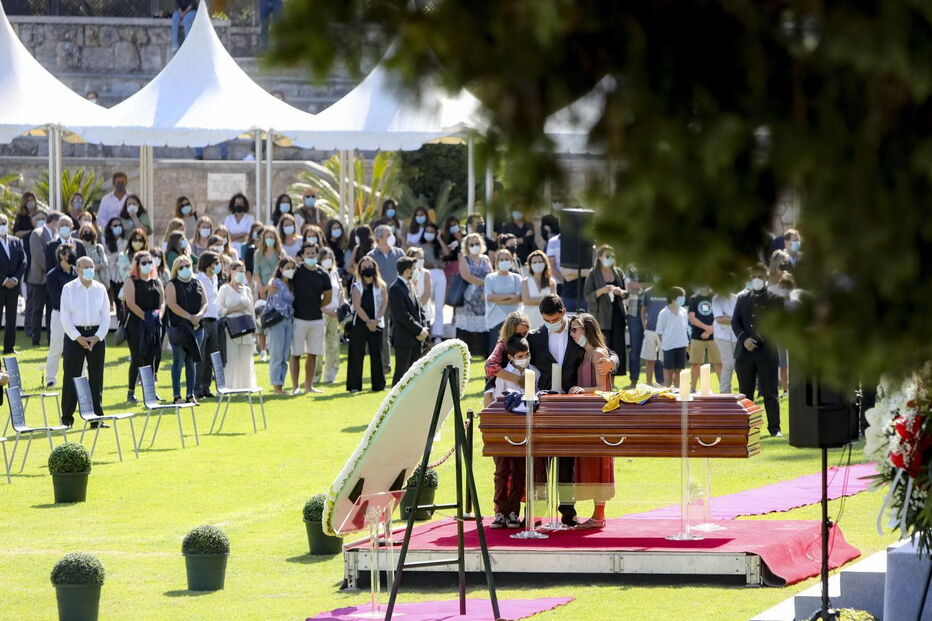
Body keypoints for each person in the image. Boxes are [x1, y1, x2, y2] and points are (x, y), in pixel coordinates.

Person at [527, 294, 616, 526]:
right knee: (540, 460)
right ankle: (536, 512)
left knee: (568, 459)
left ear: (563, 312)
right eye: (546, 320)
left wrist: (613, 362)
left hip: (573, 406)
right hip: (544, 404)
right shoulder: (535, 338)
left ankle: (567, 510)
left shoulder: (577, 330)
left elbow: (604, 350)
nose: (551, 323)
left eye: (554, 319)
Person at [567, 312, 616, 529]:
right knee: (589, 462)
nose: (572, 333)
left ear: (587, 329)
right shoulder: (584, 354)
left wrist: (581, 390)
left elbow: (603, 389)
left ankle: (599, 516)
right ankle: (596, 515)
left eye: (575, 329)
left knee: (600, 463)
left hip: (599, 416)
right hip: (586, 415)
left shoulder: (597, 353)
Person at [489, 334, 536, 529]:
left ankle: (513, 512)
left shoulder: (535, 373)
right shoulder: (504, 375)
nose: (523, 358)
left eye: (526, 354)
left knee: (519, 471)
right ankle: (500, 510)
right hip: (505, 427)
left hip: (524, 429)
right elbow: (498, 399)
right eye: (519, 355)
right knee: (502, 471)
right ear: (510, 357)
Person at [59, 256, 110, 428]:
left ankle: (96, 418)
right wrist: (78, 337)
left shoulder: (100, 288)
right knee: (71, 376)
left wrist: (98, 336)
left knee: (96, 377)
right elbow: (65, 317)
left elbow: (106, 315)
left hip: (96, 335)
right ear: (77, 270)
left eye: (91, 267)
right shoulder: (69, 288)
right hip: (75, 336)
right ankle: (67, 418)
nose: (89, 270)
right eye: (85, 267)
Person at [733, 265, 783, 437]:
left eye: (760, 276)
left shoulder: (775, 299)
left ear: (766, 278)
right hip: (744, 353)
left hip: (766, 352)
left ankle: (774, 428)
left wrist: (759, 339)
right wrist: (744, 339)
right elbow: (735, 322)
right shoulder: (742, 298)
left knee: (770, 392)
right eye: (754, 276)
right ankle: (748, 428)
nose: (757, 279)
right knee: (745, 393)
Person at [123, 251, 164, 403]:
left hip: (153, 324)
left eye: (149, 262)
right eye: (144, 263)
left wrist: (158, 316)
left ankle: (150, 391)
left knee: (151, 357)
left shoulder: (156, 281)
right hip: (136, 325)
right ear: (137, 265)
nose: (147, 265)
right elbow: (131, 304)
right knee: (137, 357)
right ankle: (131, 392)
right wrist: (146, 318)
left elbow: (162, 302)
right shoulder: (131, 281)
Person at [290, 244, 332, 394]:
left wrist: (317, 305)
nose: (310, 256)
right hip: (298, 318)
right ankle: (296, 387)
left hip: (316, 319)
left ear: (316, 254)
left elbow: (328, 296)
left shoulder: (323, 274)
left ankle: (308, 386)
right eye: (307, 253)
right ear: (303, 254)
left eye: (313, 253)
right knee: (295, 354)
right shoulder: (296, 270)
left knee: (313, 354)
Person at [165, 256, 206, 403]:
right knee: (178, 361)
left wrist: (199, 316)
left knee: (192, 361)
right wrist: (189, 317)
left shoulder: (197, 282)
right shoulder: (172, 284)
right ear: (176, 269)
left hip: (197, 327)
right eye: (181, 267)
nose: (185, 269)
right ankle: (177, 396)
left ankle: (190, 394)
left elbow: (204, 302)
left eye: (187, 265)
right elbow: (172, 305)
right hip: (180, 328)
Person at [583, 245, 628, 378]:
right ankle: (603, 379)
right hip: (601, 316)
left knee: (617, 347)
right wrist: (602, 290)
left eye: (612, 256)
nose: (610, 259)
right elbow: (587, 295)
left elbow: (626, 293)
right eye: (607, 256)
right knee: (604, 347)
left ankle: (613, 380)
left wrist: (620, 292)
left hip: (617, 314)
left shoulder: (618, 272)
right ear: (600, 258)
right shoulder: (593, 273)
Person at [346, 256, 388, 393]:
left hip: (377, 322)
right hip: (360, 323)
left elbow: (383, 305)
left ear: (374, 268)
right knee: (356, 353)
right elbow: (357, 306)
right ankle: (354, 386)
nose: (367, 269)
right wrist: (368, 321)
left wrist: (376, 320)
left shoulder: (381, 286)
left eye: (369, 266)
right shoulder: (356, 286)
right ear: (360, 270)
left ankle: (378, 385)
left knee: (377, 354)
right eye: (364, 267)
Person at [367, 225, 405, 372]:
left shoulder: (399, 253)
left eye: (391, 233)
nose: (391, 236)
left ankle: (405, 365)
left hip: (399, 298)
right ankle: (385, 365)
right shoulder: (371, 256)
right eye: (388, 234)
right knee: (383, 333)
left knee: (402, 331)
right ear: (379, 238)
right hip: (381, 299)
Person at [388, 256, 428, 385]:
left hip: (416, 339)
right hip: (403, 339)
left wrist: (424, 327)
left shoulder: (410, 285)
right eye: (414, 269)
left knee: (414, 373)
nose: (416, 271)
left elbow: (420, 309)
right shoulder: (396, 288)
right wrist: (419, 330)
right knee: (401, 373)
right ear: (406, 271)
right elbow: (402, 315)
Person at [217, 261, 257, 390]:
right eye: (239, 271)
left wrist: (254, 328)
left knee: (245, 357)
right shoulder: (224, 289)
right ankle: (229, 387)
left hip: (245, 326)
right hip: (231, 327)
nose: (242, 274)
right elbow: (219, 310)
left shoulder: (247, 289)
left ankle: (245, 386)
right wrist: (234, 309)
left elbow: (251, 311)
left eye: (243, 271)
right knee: (231, 357)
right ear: (232, 271)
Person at [455, 232, 493, 356]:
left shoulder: (485, 258)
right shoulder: (464, 258)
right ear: (467, 246)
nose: (475, 246)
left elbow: (491, 275)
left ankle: (483, 352)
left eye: (477, 243)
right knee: (466, 325)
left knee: (484, 324)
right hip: (469, 297)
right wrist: (484, 282)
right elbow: (466, 276)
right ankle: (465, 353)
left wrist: (487, 285)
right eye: (472, 244)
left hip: (484, 297)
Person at [45, 244, 77, 386]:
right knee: (56, 346)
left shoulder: (77, 273)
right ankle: (50, 378)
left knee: (78, 346)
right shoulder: (52, 275)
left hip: (77, 315)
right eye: (67, 254)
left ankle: (79, 377)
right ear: (61, 256)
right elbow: (56, 298)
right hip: (59, 315)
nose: (70, 256)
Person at [482, 311, 531, 407]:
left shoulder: (530, 339)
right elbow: (489, 365)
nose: (522, 336)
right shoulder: (502, 345)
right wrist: (517, 379)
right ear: (510, 332)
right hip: (500, 382)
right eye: (518, 334)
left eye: (524, 333)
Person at [264, 258, 296, 394]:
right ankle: (276, 386)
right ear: (281, 269)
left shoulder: (292, 285)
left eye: (292, 268)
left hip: (288, 321)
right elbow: (278, 304)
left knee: (285, 355)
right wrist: (292, 310)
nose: (290, 270)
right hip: (278, 321)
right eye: (287, 267)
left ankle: (280, 384)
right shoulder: (276, 282)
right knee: (277, 354)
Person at [484, 248, 523, 354]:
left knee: (514, 349)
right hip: (495, 319)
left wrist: (499, 299)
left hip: (513, 319)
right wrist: (510, 297)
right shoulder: (490, 277)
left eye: (506, 259)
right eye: (501, 259)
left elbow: (519, 298)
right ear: (496, 262)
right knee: (496, 349)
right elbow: (489, 297)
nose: (504, 261)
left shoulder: (517, 277)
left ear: (511, 261)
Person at [194, 252, 222, 399]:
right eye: (214, 263)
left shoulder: (215, 278)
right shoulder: (198, 278)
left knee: (211, 355)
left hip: (214, 319)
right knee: (201, 356)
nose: (217, 266)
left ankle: (206, 387)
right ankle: (196, 388)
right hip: (203, 320)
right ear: (207, 264)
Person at [687, 286, 723, 391]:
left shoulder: (716, 298)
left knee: (718, 363)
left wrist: (710, 330)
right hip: (697, 337)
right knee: (695, 363)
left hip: (715, 336)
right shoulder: (694, 298)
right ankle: (692, 389)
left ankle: (723, 389)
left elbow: (720, 315)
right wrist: (707, 329)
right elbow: (692, 318)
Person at [25, 209, 53, 346]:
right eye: (38, 218)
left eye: (43, 217)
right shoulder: (36, 234)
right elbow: (39, 256)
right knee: (37, 309)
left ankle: (50, 338)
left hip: (50, 280)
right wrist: (52, 269)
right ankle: (35, 338)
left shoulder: (54, 234)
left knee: (51, 310)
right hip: (38, 279)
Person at [318, 247, 345, 384]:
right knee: (318, 345)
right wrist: (325, 310)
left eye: (329, 257)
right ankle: (316, 376)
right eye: (324, 258)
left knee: (333, 345)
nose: (327, 260)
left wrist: (339, 309)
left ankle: (330, 376)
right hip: (321, 313)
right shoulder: (317, 273)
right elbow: (316, 296)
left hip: (335, 313)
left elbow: (340, 293)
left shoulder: (334, 273)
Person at [0, 215, 25, 354]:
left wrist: (15, 278)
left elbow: (23, 261)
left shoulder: (16, 241)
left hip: (13, 287)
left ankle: (9, 347)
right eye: (0, 223)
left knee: (12, 318)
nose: (2, 225)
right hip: (1, 285)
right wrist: (4, 280)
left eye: (4, 223)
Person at [656, 287, 689, 387]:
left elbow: (685, 328)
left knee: (678, 370)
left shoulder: (684, 311)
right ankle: (667, 391)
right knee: (668, 370)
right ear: (673, 298)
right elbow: (659, 332)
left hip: (682, 345)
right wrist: (663, 346)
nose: (683, 299)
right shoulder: (663, 313)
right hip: (668, 346)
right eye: (681, 297)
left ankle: (678, 391)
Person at [623, 265, 650, 386]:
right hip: (634, 312)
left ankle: (660, 380)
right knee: (635, 349)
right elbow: (630, 287)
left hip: (652, 312)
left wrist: (639, 286)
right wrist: (648, 285)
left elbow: (660, 287)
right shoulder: (631, 268)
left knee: (658, 347)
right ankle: (634, 380)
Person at [639, 285, 668, 385]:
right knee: (649, 359)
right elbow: (643, 310)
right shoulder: (648, 292)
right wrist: (644, 327)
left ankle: (666, 384)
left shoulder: (669, 290)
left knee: (665, 360)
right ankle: (649, 384)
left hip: (665, 332)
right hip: (650, 330)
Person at [711, 290, 738, 393]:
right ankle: (725, 392)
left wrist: (728, 318)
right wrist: (735, 320)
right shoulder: (716, 299)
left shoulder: (737, 298)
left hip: (735, 336)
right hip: (722, 336)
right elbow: (719, 319)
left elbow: (740, 315)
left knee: (736, 364)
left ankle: (738, 392)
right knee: (728, 364)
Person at [521, 250, 555, 331]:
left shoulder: (551, 282)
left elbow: (554, 302)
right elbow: (526, 300)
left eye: (540, 261)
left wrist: (535, 300)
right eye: (534, 262)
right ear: (530, 265)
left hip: (547, 322)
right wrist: (545, 300)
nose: (537, 264)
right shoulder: (525, 281)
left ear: (545, 263)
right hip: (529, 321)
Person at [103, 218, 126, 313]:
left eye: (120, 225)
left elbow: (124, 256)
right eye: (115, 226)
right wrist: (115, 258)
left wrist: (118, 258)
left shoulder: (125, 241)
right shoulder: (104, 241)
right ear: (110, 227)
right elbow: (105, 256)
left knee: (121, 300)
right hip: (108, 273)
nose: (118, 227)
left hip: (121, 274)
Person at [78, 224, 108, 289]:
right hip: (84, 283)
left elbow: (104, 264)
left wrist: (90, 268)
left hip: (100, 282)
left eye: (90, 232)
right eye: (85, 232)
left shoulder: (98, 247)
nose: (87, 233)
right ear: (81, 233)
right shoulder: (79, 248)